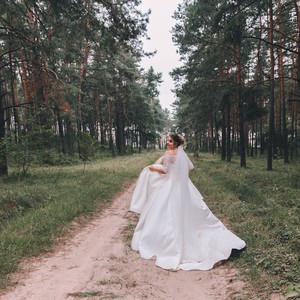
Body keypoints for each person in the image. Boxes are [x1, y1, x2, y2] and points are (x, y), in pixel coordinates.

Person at [130, 133, 246, 271]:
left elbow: (165, 171)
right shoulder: (182, 154)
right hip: (183, 185)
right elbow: (191, 167)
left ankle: (162, 242)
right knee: (191, 210)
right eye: (168, 140)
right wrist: (179, 170)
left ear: (176, 143)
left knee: (165, 210)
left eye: (170, 141)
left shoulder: (168, 153)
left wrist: (152, 168)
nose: (168, 143)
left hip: (170, 184)